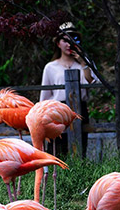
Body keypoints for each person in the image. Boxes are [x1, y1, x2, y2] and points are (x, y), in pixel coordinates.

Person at [40, 22, 97, 156]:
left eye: (72, 39)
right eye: (65, 40)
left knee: (79, 148)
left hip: (79, 108)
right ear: (58, 43)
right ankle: (57, 177)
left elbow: (92, 82)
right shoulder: (50, 67)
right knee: (57, 150)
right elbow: (45, 96)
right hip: (57, 110)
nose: (69, 44)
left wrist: (84, 63)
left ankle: (78, 176)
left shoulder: (85, 63)